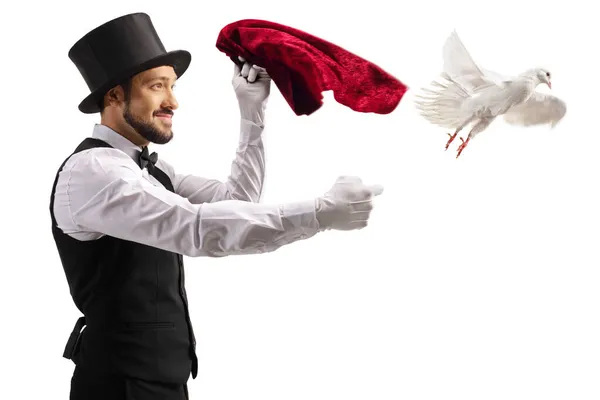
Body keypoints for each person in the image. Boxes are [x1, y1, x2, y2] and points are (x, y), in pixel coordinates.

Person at [51, 12, 384, 400]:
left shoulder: (152, 172)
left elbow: (236, 202)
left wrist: (251, 111)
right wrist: (319, 213)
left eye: (172, 86)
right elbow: (197, 229)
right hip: (118, 387)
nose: (173, 101)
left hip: (161, 383)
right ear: (114, 96)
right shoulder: (94, 171)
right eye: (157, 86)